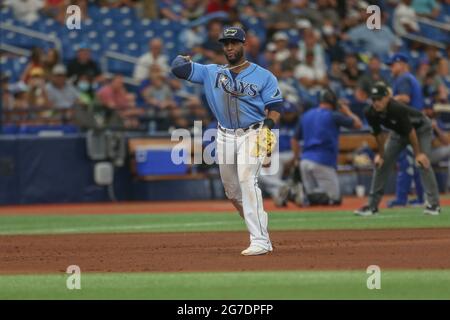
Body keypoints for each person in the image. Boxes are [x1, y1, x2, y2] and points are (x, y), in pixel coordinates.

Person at [171, 26, 283, 256]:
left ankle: (260, 239)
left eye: (234, 43)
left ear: (244, 45)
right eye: (225, 43)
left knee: (247, 179)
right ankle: (260, 226)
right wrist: (181, 58)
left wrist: (267, 129)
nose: (229, 47)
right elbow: (179, 69)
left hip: (253, 132)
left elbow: (275, 107)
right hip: (224, 136)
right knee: (232, 192)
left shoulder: (263, 75)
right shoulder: (212, 71)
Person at [354, 82, 441, 216]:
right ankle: (372, 206)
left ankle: (434, 204)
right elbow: (378, 134)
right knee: (381, 164)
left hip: (420, 129)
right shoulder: (369, 111)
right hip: (398, 133)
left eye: (379, 99)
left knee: (422, 162)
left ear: (387, 97)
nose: (376, 102)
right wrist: (381, 155)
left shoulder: (396, 108)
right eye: (374, 99)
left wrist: (418, 154)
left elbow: (411, 131)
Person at [291, 88, 363, 205]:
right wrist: (347, 111)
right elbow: (358, 124)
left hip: (305, 161)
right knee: (334, 199)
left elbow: (294, 139)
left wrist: (296, 159)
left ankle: (305, 196)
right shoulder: (333, 115)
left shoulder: (306, 115)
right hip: (322, 161)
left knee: (313, 202)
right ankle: (304, 196)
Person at [386, 53, 425, 207]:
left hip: (409, 126)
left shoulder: (404, 78)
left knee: (406, 162)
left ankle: (402, 198)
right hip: (415, 124)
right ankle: (422, 198)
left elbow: (405, 98)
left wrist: (386, 100)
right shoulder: (410, 78)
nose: (391, 68)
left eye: (393, 65)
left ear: (401, 64)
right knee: (416, 163)